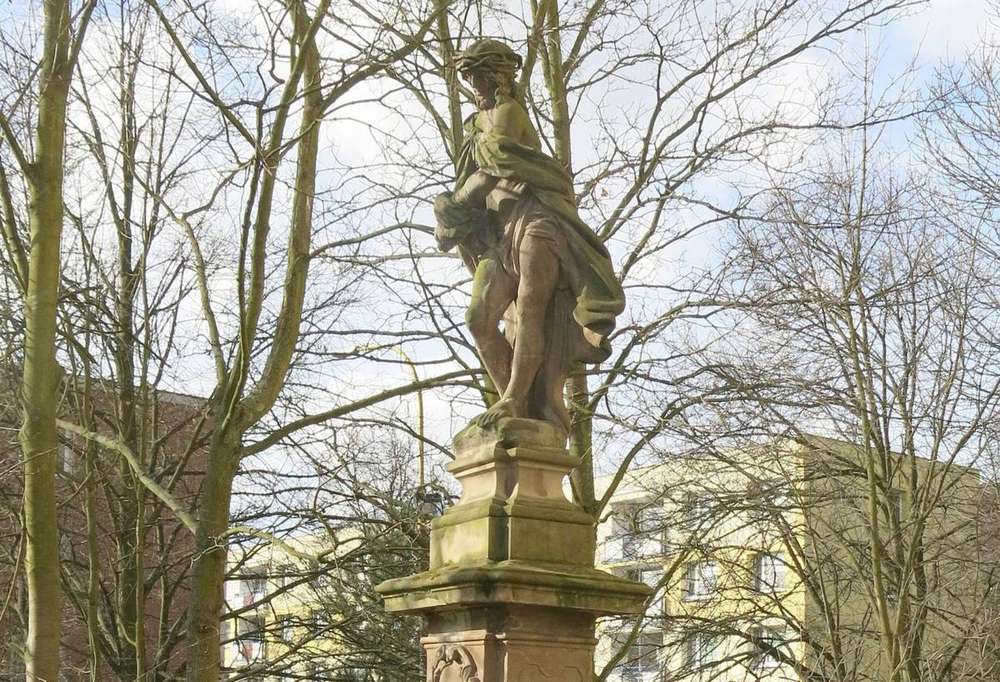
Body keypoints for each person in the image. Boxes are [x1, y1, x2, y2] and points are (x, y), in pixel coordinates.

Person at [434, 38, 625, 434]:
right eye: (469, 79)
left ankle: (513, 401)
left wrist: (453, 203)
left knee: (529, 309)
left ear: (498, 76)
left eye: (479, 77)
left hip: (536, 219)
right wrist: (452, 213)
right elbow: (473, 177)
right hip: (499, 233)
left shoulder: (508, 112)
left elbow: (493, 167)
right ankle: (517, 405)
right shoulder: (474, 126)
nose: (475, 86)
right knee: (478, 318)